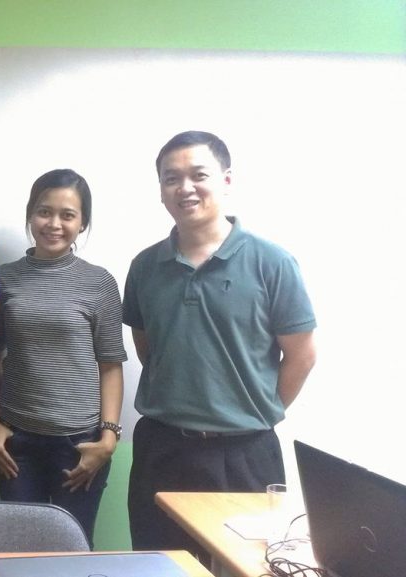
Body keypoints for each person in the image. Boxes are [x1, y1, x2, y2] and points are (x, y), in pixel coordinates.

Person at [123, 131, 317, 555]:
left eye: (198, 175)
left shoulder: (272, 262)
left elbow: (301, 356)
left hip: (245, 454)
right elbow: (148, 347)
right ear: (161, 190)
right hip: (162, 448)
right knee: (158, 563)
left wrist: (254, 410)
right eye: (171, 178)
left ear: (226, 180)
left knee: (246, 564)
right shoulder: (144, 266)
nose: (185, 188)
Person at [0, 169, 126, 545]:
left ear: (82, 223)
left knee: (72, 550)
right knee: (18, 551)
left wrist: (108, 438)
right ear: (30, 214)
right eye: (44, 212)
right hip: (17, 443)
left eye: (68, 215)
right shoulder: (4, 279)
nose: (54, 224)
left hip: (80, 446)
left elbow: (111, 366)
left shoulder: (99, 282)